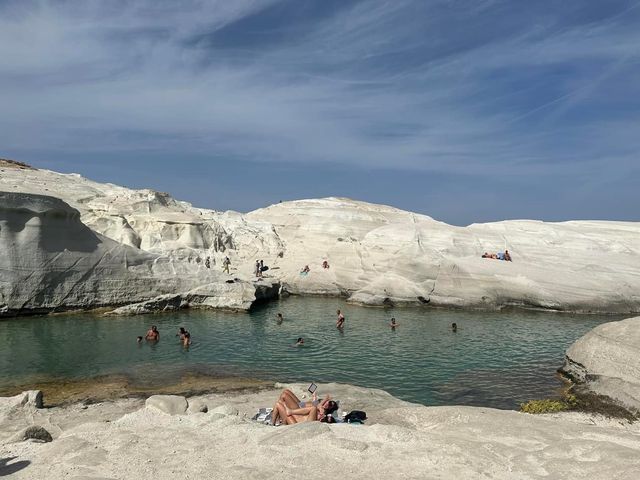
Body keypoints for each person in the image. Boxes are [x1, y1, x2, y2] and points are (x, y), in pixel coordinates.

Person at [271, 388, 338, 425]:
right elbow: (315, 404)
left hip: (299, 408)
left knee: (284, 395)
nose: (327, 404)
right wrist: (314, 396)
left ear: (329, 409)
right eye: (328, 403)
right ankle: (279, 416)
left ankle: (279, 418)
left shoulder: (323, 411)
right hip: (301, 404)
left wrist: (326, 399)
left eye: (329, 405)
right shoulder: (320, 407)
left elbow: (316, 406)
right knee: (286, 391)